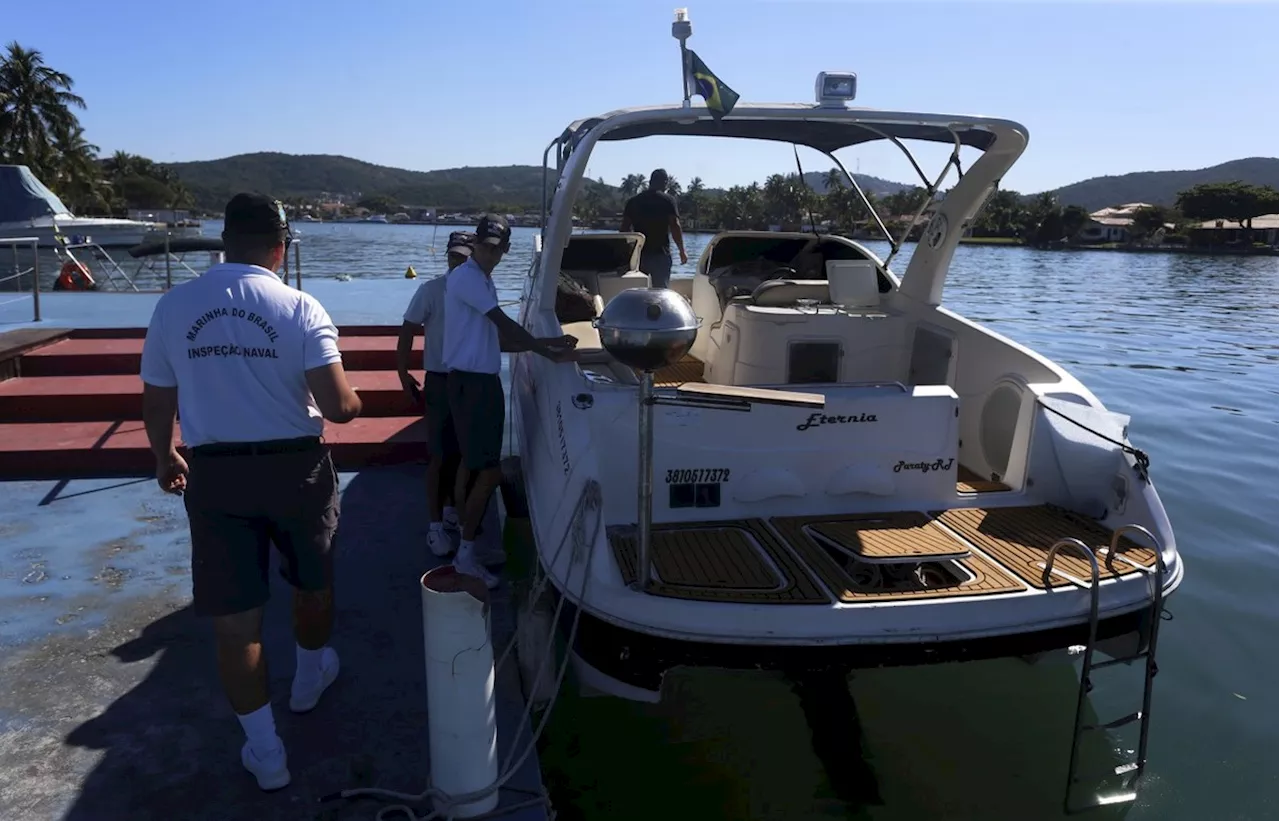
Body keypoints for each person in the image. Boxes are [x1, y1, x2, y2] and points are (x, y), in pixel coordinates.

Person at [139, 193, 363, 792]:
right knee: (312, 584)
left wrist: (165, 456)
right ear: (279, 248)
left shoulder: (174, 306)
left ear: (224, 242)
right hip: (297, 473)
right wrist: (355, 395)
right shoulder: (299, 306)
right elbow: (340, 408)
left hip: (216, 477)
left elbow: (158, 397)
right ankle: (311, 677)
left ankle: (266, 755)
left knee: (238, 626)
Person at [443, 213, 578, 586]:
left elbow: (497, 341)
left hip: (475, 384)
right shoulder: (469, 278)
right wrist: (546, 352)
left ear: (504, 249)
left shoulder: (480, 280)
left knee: (474, 466)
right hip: (473, 386)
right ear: (476, 245)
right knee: (488, 471)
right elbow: (504, 325)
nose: (489, 253)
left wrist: (547, 343)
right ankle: (465, 555)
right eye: (483, 246)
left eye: (495, 248)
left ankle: (468, 544)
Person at [396, 231, 472, 558]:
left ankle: (454, 506)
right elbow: (408, 328)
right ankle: (435, 525)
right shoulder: (431, 290)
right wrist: (403, 373)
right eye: (454, 256)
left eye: (464, 257)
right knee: (439, 455)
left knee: (463, 451)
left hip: (471, 379)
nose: (458, 262)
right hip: (440, 381)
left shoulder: (480, 291)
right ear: (447, 256)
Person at [620, 167, 689, 288]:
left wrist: (626, 253)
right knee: (660, 291)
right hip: (660, 254)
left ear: (650, 181)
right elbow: (675, 226)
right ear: (664, 182)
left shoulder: (633, 201)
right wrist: (682, 251)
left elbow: (624, 229)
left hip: (639, 254)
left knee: (639, 290)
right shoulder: (668, 200)